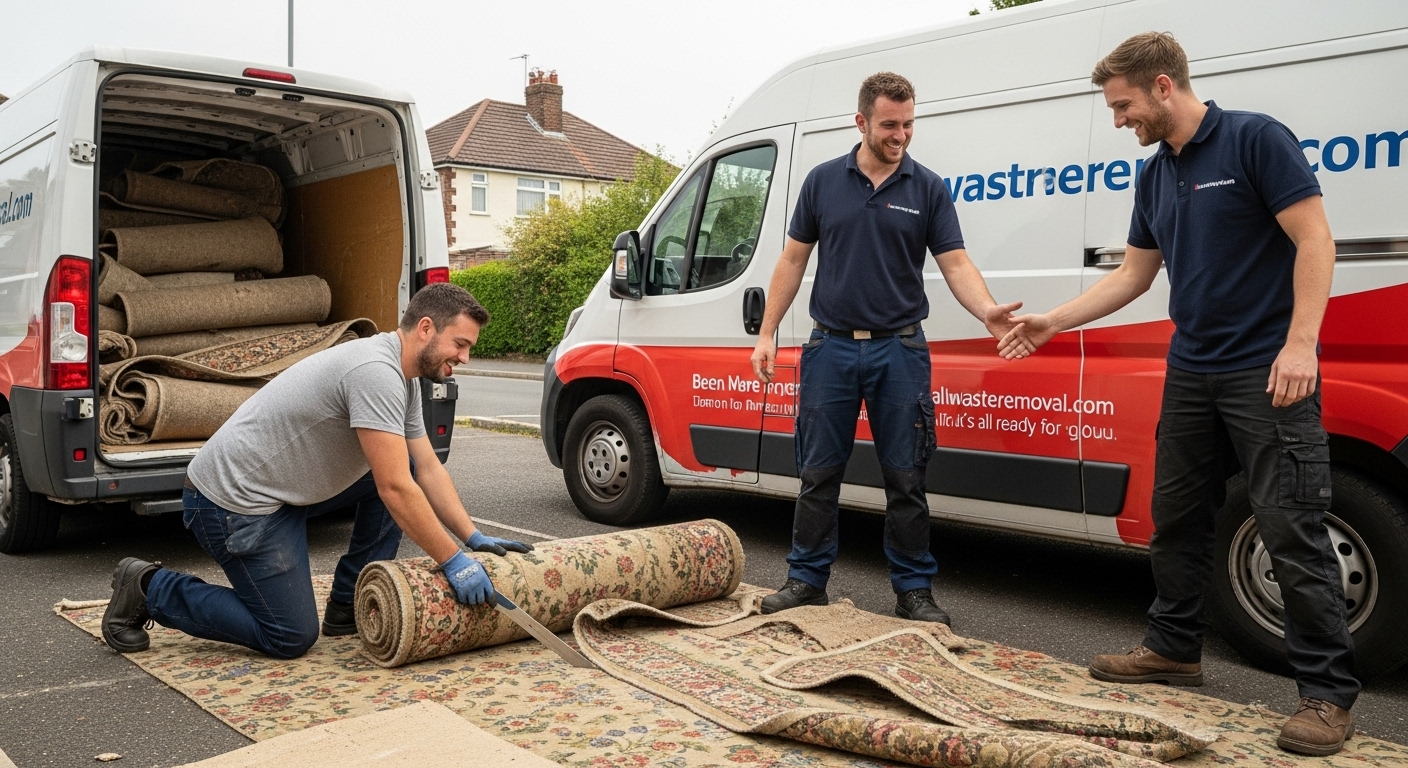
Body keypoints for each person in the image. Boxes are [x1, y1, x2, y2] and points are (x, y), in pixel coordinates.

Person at [998, 32, 1357, 756]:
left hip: (1266, 367)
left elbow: (1316, 240)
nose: (1120, 120)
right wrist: (1051, 322)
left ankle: (1326, 694)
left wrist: (1301, 343)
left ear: (1164, 86)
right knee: (1175, 518)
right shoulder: (1156, 175)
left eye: (1124, 105)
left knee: (1290, 525)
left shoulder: (1256, 140)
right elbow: (1133, 276)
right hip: (1192, 369)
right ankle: (1174, 649)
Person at [101, 282, 534, 660]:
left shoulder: (403, 377)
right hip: (233, 503)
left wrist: (471, 536)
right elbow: (397, 489)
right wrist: (453, 561)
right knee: (289, 635)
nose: (466, 356)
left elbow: (425, 468)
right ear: (425, 328)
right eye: (460, 344)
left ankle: (349, 603)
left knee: (398, 471)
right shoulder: (374, 372)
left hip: (282, 488)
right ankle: (148, 587)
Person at [750, 72, 1022, 625]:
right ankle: (805, 581)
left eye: (908, 124)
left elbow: (956, 263)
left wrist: (987, 310)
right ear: (862, 122)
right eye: (890, 125)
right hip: (830, 349)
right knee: (819, 472)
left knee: (905, 475)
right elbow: (793, 259)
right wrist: (767, 331)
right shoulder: (823, 182)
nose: (901, 135)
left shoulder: (927, 188)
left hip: (899, 351)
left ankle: (913, 591)